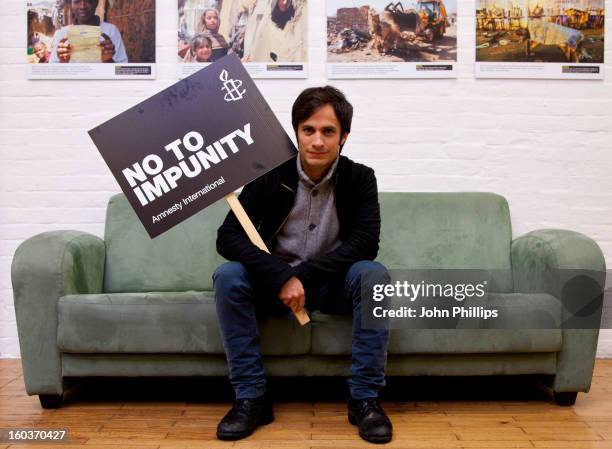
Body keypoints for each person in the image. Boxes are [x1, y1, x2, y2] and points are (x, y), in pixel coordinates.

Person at [214, 86, 393, 444]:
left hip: (331, 284)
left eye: (328, 131)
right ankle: (251, 397)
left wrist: (302, 277)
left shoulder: (360, 178)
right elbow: (228, 238)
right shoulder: (269, 173)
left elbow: (365, 244)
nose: (317, 141)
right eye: (308, 130)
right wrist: (281, 276)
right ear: (296, 131)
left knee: (374, 275)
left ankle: (364, 399)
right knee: (228, 276)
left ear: (343, 136)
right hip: (273, 286)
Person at [50, 0, 128, 63]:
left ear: (96, 3)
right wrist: (63, 62)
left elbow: (122, 72)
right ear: (71, 5)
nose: (83, 6)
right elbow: (53, 73)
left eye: (88, 1)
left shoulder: (111, 31)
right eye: (77, 1)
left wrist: (108, 60)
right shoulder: (63, 34)